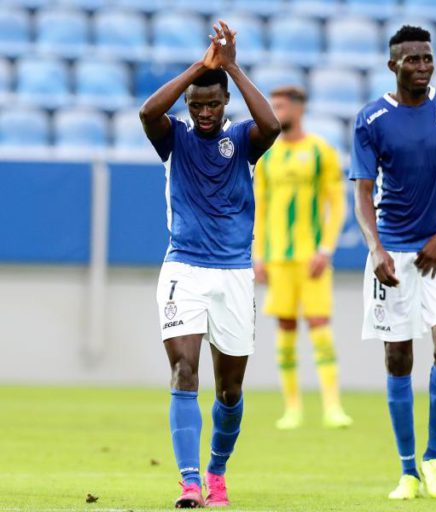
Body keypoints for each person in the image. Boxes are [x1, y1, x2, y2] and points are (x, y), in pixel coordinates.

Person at [139, 20, 280, 508]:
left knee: (230, 390)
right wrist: (201, 66)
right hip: (184, 270)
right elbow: (147, 110)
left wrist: (232, 67)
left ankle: (217, 471)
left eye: (212, 103)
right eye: (196, 104)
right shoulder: (173, 138)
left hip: (235, 275)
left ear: (225, 105)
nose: (202, 111)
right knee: (183, 370)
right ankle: (190, 482)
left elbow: (273, 126)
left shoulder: (243, 140)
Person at [350, 25, 436, 500]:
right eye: (412, 59)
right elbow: (363, 194)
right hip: (392, 251)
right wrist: (376, 249)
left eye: (427, 58)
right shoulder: (371, 119)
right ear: (393, 65)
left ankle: (434, 457)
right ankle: (407, 470)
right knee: (397, 357)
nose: (422, 66)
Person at [252, 85, 353, 430]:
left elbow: (337, 205)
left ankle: (332, 406)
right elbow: (258, 207)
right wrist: (257, 255)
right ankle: (292, 407)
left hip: (311, 258)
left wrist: (326, 249)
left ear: (298, 109)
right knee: (285, 327)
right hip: (278, 258)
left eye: (280, 105)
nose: (275, 110)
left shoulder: (321, 152)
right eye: (273, 105)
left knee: (320, 327)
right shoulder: (267, 155)